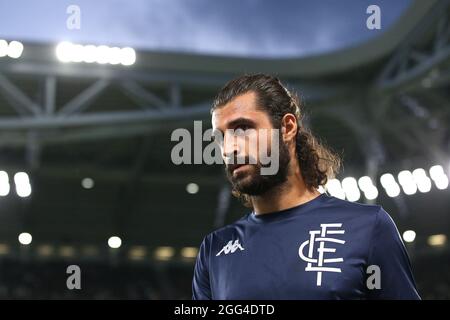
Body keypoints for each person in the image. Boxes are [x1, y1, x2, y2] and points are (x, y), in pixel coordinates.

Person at [192, 74, 420, 300]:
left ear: (288, 128)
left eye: (242, 129)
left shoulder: (368, 228)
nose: (228, 148)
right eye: (220, 138)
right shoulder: (214, 250)